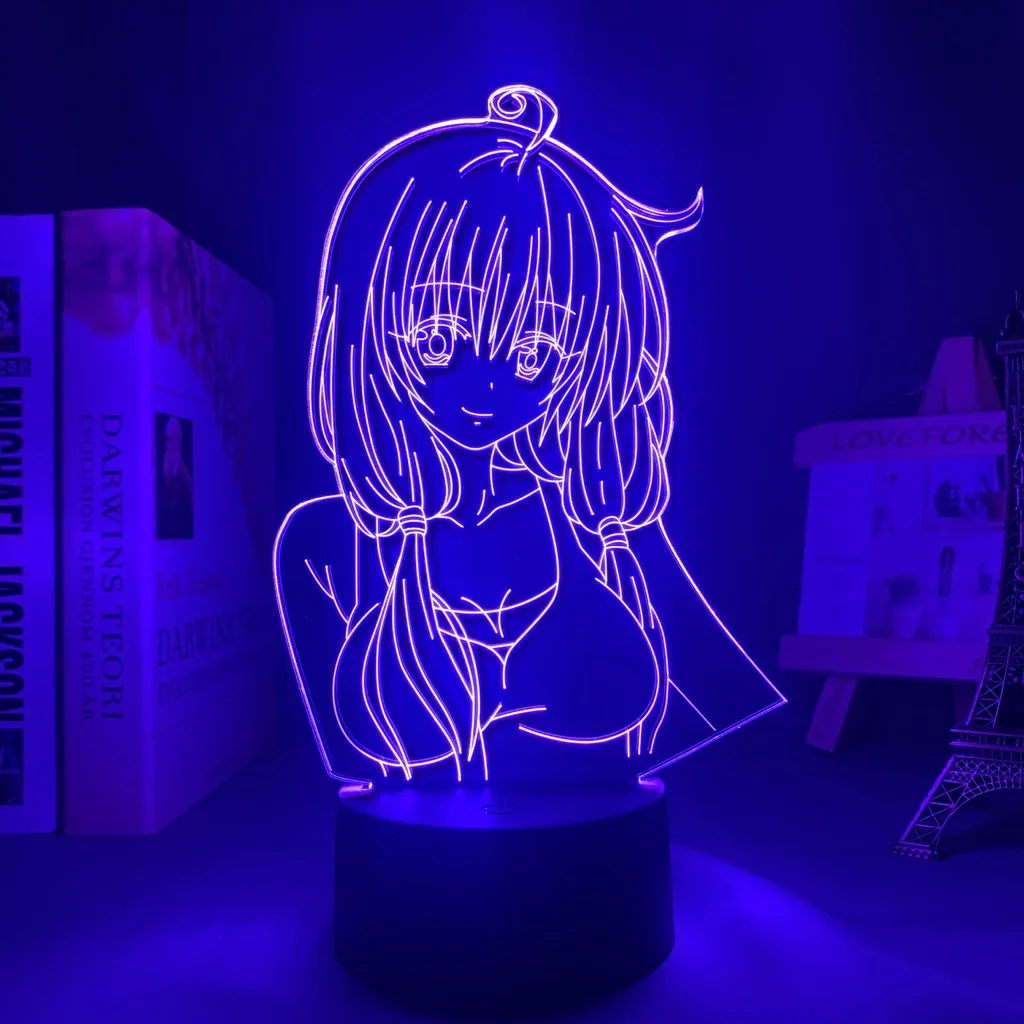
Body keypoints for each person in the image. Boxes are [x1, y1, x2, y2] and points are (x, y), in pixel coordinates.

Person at [275, 86, 783, 787]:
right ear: (368, 318)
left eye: (535, 354)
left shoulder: (598, 518)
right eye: (438, 338)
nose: (483, 392)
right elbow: (356, 764)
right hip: (409, 841)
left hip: (597, 832)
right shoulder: (329, 542)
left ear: (592, 355)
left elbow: (702, 701)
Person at [158, 416, 193, 539]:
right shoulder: (169, 475)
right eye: (166, 441)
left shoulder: (184, 479)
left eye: (169, 440)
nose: (167, 445)